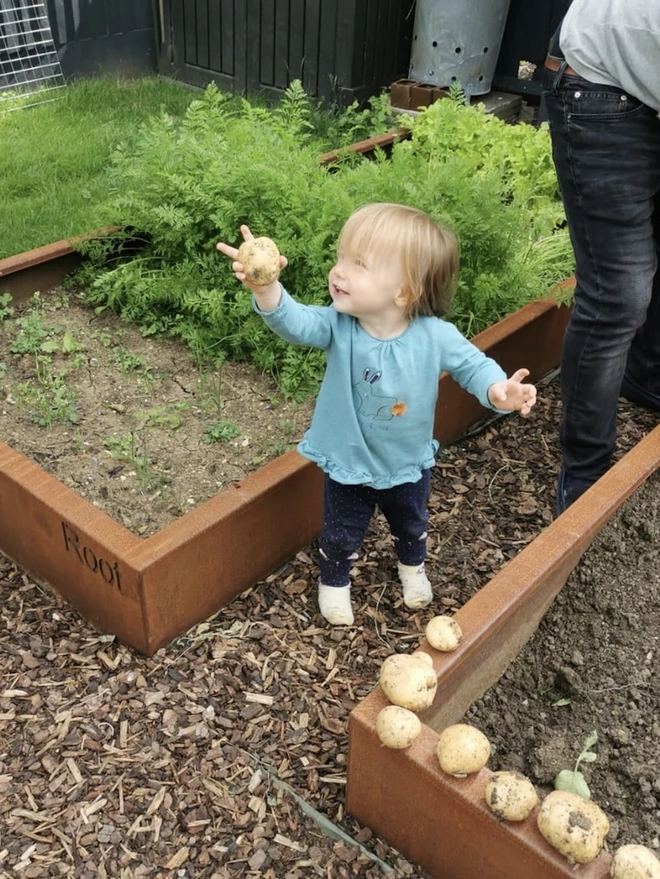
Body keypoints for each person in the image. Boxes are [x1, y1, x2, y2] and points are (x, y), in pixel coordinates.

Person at [217, 203, 537, 625]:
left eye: (359, 264)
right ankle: (334, 582)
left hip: (406, 462)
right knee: (340, 530)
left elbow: (473, 366)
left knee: (410, 522)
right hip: (349, 461)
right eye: (342, 258)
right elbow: (295, 323)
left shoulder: (435, 336)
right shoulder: (338, 325)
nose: (339, 271)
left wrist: (499, 390)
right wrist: (266, 289)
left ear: (402, 292)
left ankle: (412, 568)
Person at [541, 0, 660, 514]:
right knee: (618, 293)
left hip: (645, 63)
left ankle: (646, 378)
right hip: (601, 81)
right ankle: (584, 477)